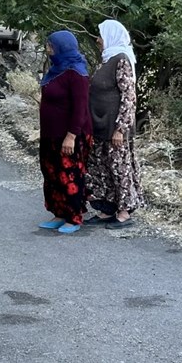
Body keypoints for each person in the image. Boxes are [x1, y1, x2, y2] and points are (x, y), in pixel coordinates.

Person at [85, 20, 144, 230]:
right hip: (100, 126)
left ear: (110, 36)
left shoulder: (122, 59)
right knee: (103, 169)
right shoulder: (106, 59)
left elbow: (129, 97)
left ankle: (125, 211)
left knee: (120, 168)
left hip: (114, 128)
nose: (97, 40)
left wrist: (120, 128)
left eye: (100, 35)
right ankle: (107, 208)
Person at [38, 30, 92, 234]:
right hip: (51, 134)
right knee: (51, 174)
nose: (48, 50)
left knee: (69, 176)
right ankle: (59, 213)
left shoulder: (76, 73)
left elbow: (80, 108)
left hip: (69, 135)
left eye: (51, 46)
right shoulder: (56, 69)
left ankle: (74, 216)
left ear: (62, 47)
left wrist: (71, 136)